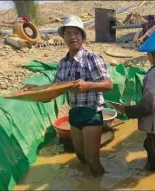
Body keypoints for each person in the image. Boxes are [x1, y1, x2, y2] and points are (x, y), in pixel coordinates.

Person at [23, 16, 113, 177]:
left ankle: (101, 184)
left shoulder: (92, 58)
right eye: (68, 33)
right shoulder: (63, 63)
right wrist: (36, 89)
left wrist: (88, 85)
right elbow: (55, 87)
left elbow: (108, 85)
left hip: (91, 113)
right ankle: (87, 184)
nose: (72, 37)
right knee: (80, 157)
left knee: (92, 160)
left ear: (82, 37)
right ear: (63, 37)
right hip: (75, 114)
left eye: (76, 33)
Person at [111, 27, 155, 172]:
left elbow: (147, 107)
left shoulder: (153, 74)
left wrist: (127, 109)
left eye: (148, 53)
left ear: (153, 54)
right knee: (152, 146)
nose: (147, 56)